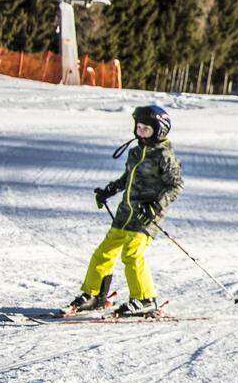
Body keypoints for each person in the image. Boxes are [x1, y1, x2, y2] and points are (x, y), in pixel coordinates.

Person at [65, 105, 184, 317]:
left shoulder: (164, 156)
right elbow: (128, 178)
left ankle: (145, 298)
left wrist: (155, 206)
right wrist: (110, 190)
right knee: (104, 252)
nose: (141, 133)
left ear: (160, 131)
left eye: (146, 129)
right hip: (125, 212)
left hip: (146, 216)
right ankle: (95, 295)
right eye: (138, 128)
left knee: (132, 254)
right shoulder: (135, 152)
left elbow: (175, 186)